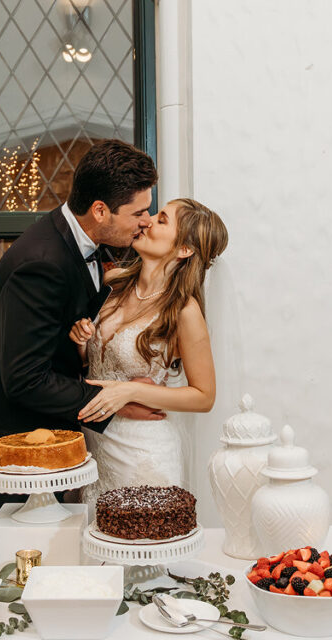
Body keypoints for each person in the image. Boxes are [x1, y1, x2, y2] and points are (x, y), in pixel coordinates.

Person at [0, 139, 166, 521]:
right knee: (29, 564)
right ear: (100, 210)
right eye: (139, 212)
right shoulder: (40, 263)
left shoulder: (91, 244)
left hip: (60, 434)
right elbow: (24, 379)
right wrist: (115, 400)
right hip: (21, 445)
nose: (146, 221)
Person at [68, 198, 228, 507]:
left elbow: (204, 396)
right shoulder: (113, 284)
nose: (147, 220)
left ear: (185, 249)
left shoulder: (183, 311)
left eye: (162, 219)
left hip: (144, 452)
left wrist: (128, 392)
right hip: (95, 447)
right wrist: (81, 344)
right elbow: (92, 366)